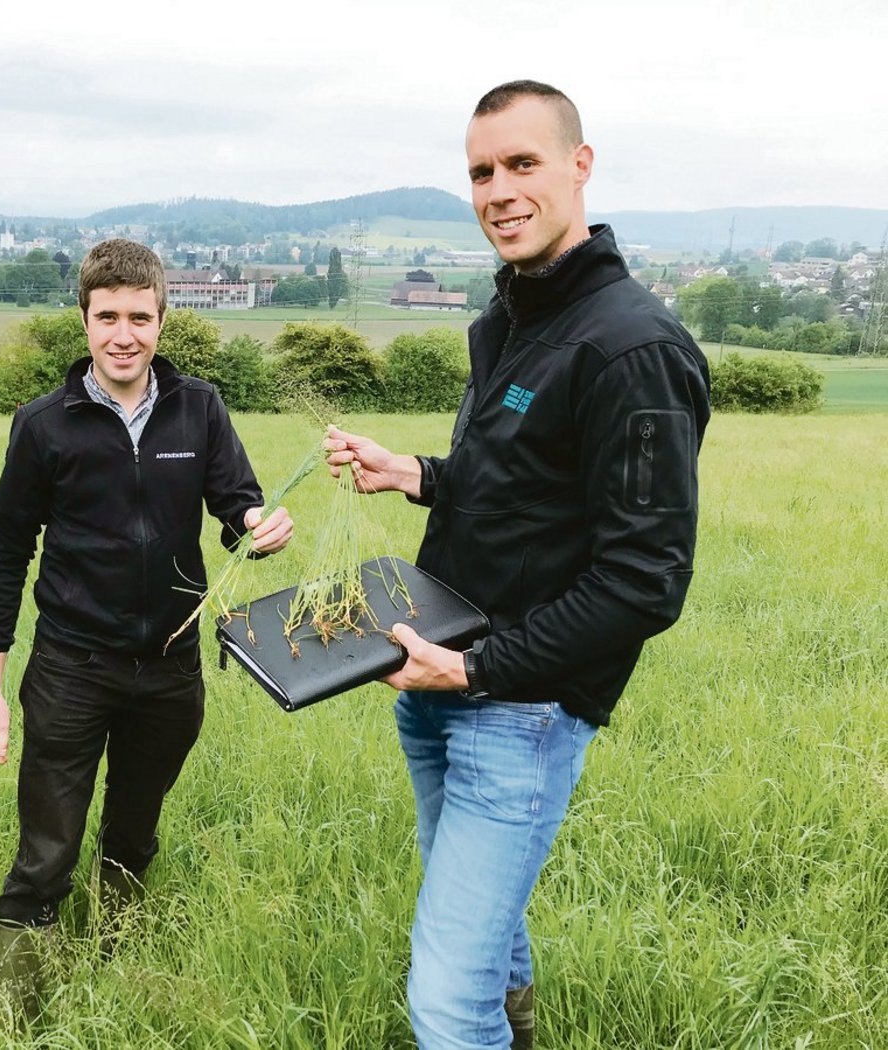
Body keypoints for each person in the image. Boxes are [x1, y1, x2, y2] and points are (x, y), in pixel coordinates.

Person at [327, 80, 710, 1050]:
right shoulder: (515, 320)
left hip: (518, 708)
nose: (497, 190)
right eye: (480, 172)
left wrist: (475, 669)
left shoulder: (630, 348)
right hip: (438, 679)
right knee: (484, 943)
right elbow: (519, 483)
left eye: (521, 163)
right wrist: (414, 474)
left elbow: (644, 581)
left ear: (579, 166)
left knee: (445, 1004)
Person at [0, 238, 292, 1006]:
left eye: (139, 318)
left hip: (171, 670)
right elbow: (7, 552)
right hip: (71, 669)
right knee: (47, 851)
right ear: (84, 320)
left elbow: (235, 507)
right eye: (108, 316)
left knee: (134, 833)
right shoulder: (44, 425)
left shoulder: (199, 408)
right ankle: (18, 1007)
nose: (124, 334)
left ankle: (116, 972)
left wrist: (256, 526)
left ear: (161, 320)